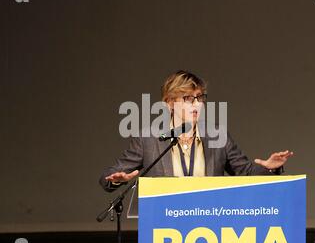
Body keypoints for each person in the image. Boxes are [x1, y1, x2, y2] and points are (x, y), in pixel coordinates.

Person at [99, 70, 293, 192]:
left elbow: (245, 172)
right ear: (169, 103)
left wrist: (269, 166)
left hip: (210, 227)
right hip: (164, 229)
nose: (197, 104)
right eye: (188, 98)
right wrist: (117, 179)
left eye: (199, 98)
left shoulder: (218, 137)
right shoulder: (148, 140)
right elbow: (107, 178)